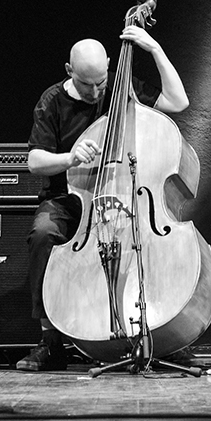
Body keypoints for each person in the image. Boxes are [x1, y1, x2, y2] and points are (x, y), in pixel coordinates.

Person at [18, 26, 189, 371]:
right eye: (87, 84)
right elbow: (35, 161)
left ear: (110, 66)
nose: (97, 91)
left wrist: (154, 48)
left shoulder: (121, 87)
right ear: (69, 72)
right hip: (72, 198)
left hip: (127, 195)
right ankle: (50, 340)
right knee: (42, 234)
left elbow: (178, 102)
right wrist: (70, 157)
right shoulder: (52, 101)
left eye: (101, 81)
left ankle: (162, 334)